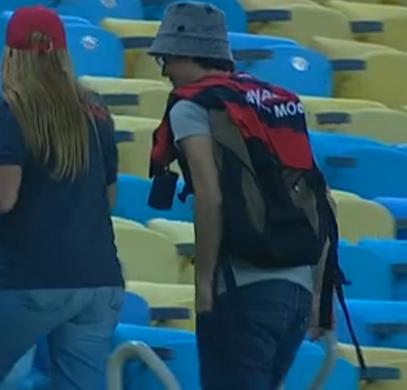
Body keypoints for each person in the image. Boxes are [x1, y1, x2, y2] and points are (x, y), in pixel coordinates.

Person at [146, 3, 347, 389]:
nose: (166, 71)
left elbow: (209, 195)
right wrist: (321, 297)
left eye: (165, 59)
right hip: (298, 292)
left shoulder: (191, 107)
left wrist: (203, 284)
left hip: (243, 289)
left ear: (185, 53)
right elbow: (322, 200)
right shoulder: (278, 102)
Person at [0, 5, 125, 390]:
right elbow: (106, 200)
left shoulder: (14, 107)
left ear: (12, 54)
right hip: (100, 281)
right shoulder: (96, 109)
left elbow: (3, 199)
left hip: (35, 279)